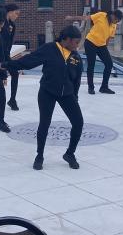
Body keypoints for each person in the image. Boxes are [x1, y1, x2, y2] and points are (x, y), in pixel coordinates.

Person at [6, 25, 85, 170]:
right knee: (44, 124)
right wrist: (8, 65)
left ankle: (70, 154)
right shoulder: (49, 49)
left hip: (67, 94)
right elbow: (29, 61)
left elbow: (77, 79)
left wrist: (75, 96)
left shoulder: (75, 57)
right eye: (75, 42)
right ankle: (39, 156)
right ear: (66, 39)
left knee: (78, 122)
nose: (77, 45)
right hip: (47, 92)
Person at [65, 9, 123, 95]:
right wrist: (71, 18)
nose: (116, 22)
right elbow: (85, 18)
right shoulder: (101, 15)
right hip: (90, 42)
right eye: (116, 20)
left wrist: (105, 50)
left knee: (109, 64)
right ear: (113, 15)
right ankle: (91, 87)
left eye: (118, 21)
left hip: (101, 45)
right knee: (91, 65)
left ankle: (104, 87)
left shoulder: (113, 26)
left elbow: (108, 38)